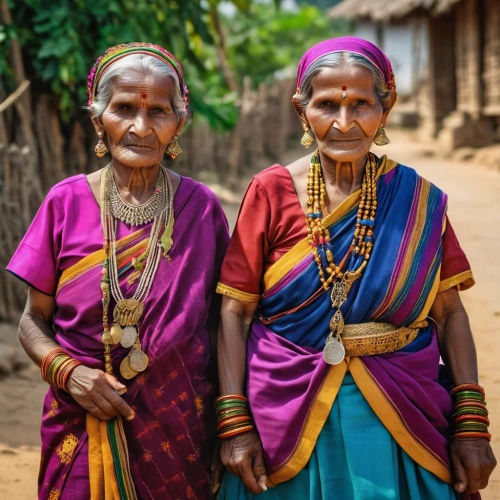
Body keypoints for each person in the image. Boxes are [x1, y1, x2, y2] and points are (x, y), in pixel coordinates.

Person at [215, 37, 496, 499]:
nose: (344, 123)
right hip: (285, 411)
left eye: (362, 104)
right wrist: (234, 423)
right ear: (300, 110)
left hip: (402, 409)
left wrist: (471, 424)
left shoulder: (418, 200)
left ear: (386, 108)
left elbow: (450, 313)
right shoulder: (269, 192)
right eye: (327, 104)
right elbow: (234, 312)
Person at [7, 42, 228, 499]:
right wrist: (68, 372)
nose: (141, 127)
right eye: (124, 108)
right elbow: (32, 320)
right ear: (98, 120)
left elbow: (222, 324)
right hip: (83, 420)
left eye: (159, 112)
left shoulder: (201, 209)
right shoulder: (65, 203)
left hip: (180, 426)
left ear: (179, 123)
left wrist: (231, 424)